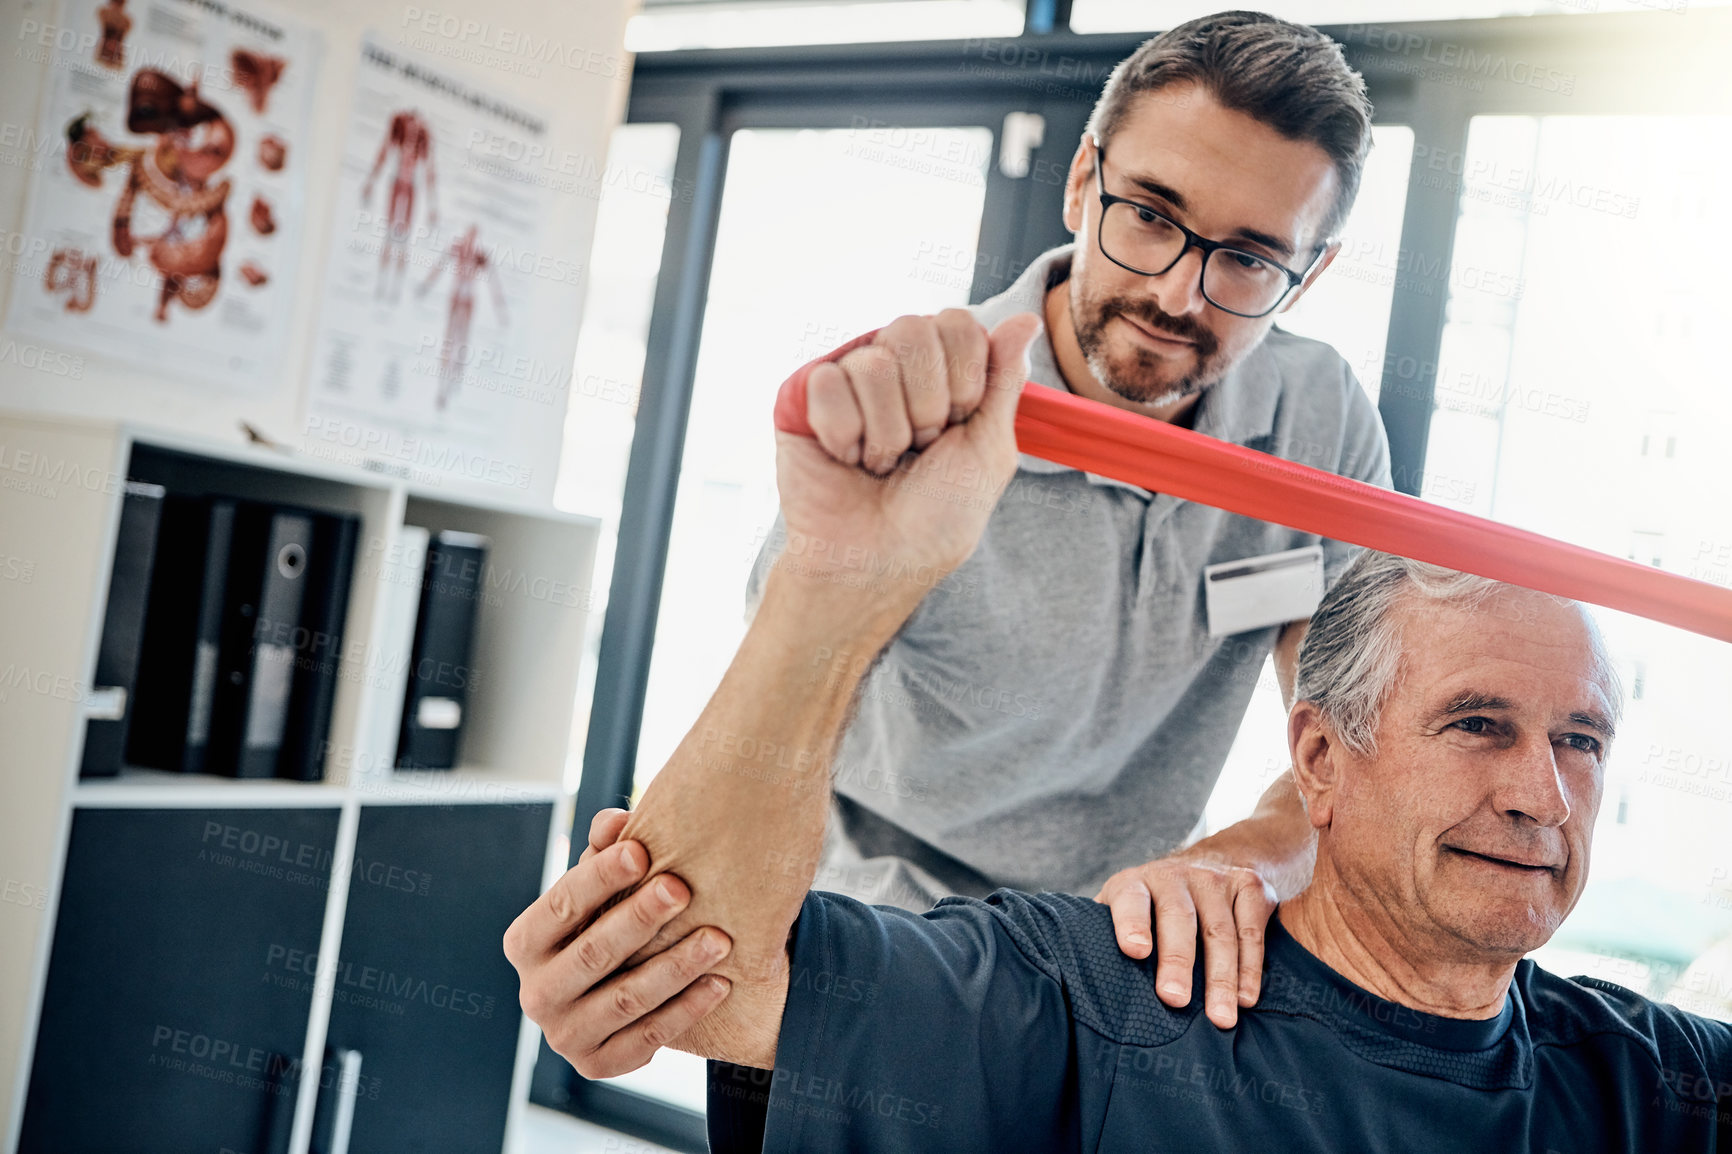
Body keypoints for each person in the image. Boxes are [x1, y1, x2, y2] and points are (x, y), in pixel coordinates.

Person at [506, 333, 1731, 1149]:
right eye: (1477, 724)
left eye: (1581, 739)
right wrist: (838, 574)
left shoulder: (1637, 1074)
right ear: (1319, 760)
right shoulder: (1095, 995)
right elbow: (699, 970)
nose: (1543, 794)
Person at [735, 9, 1391, 1031]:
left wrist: (1237, 859)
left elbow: (1354, 748)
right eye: (1151, 216)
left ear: (1312, 272)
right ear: (1084, 180)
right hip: (876, 924)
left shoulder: (1322, 418)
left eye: (1252, 261)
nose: (1177, 292)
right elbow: (773, 718)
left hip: (1117, 949)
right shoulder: (931, 408)